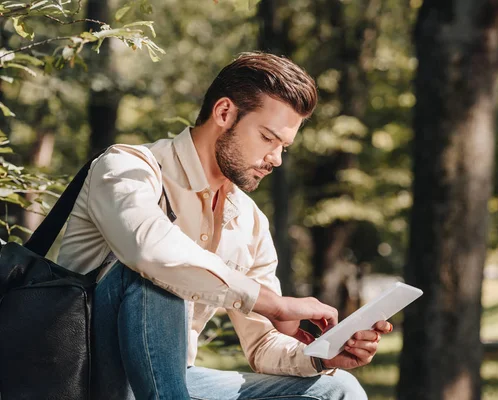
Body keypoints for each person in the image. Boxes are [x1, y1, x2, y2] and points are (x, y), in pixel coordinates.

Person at [57, 52, 393, 400]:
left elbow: (263, 343)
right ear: (224, 113)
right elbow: (148, 250)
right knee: (158, 272)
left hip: (174, 381)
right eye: (267, 138)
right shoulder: (128, 168)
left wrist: (322, 355)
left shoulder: (248, 221)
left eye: (283, 147)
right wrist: (275, 305)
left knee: (337, 389)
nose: (276, 158)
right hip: (85, 376)